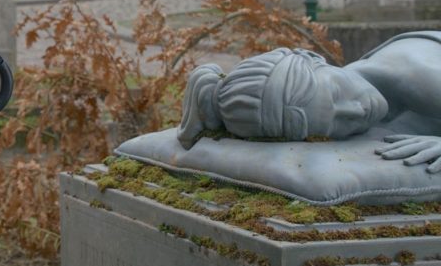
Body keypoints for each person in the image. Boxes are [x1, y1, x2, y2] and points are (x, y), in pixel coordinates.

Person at [176, 32, 441, 168]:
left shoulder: (418, 76)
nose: (357, 111)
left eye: (337, 92)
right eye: (336, 123)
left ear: (312, 56)